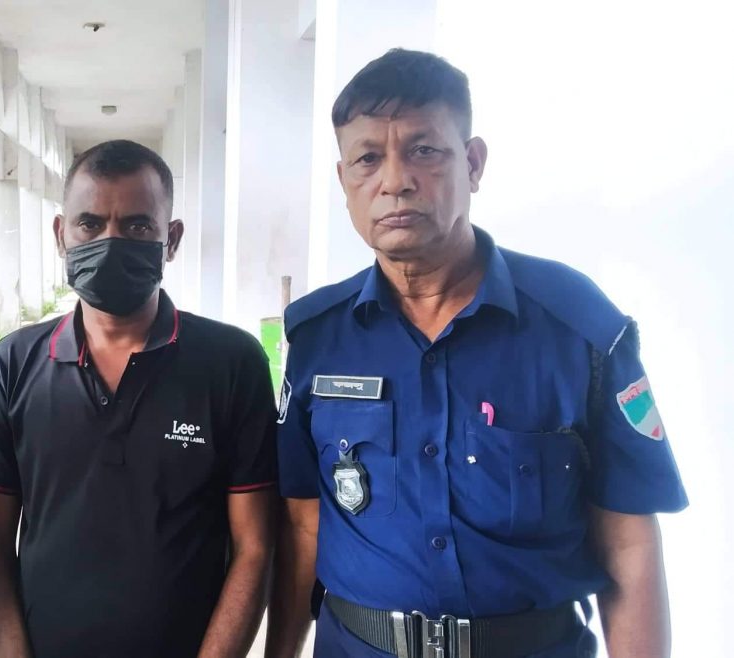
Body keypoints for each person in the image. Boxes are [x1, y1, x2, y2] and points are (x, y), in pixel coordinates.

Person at [266, 49, 686, 658]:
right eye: (367, 159)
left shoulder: (576, 327)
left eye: (423, 150)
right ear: (344, 181)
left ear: (473, 162)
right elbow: (304, 527)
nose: (395, 180)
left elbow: (628, 541)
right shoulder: (316, 338)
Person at [0, 139, 277, 658]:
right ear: (61, 235)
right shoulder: (13, 366)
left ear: (171, 239)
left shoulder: (231, 364)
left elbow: (255, 547)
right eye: (89, 225)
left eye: (136, 226)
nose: (110, 243)